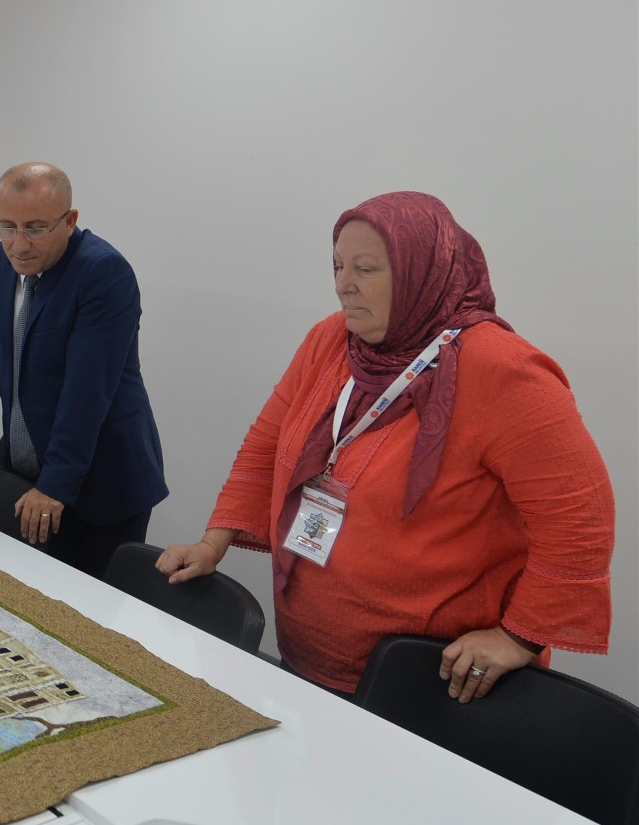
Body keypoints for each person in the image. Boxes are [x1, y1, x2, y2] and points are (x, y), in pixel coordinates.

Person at [157, 192, 612, 702]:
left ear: (424, 272)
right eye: (337, 266)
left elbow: (579, 518)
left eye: (366, 269)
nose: (342, 285)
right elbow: (266, 445)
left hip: (428, 678)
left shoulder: (502, 370)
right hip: (310, 648)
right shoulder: (333, 340)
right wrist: (212, 543)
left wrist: (517, 639)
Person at [0, 161, 168, 577]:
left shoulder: (103, 273)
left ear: (70, 220)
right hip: (24, 459)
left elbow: (86, 392)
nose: (19, 244)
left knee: (77, 606)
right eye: (8, 227)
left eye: (36, 228)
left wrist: (55, 484)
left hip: (101, 477)